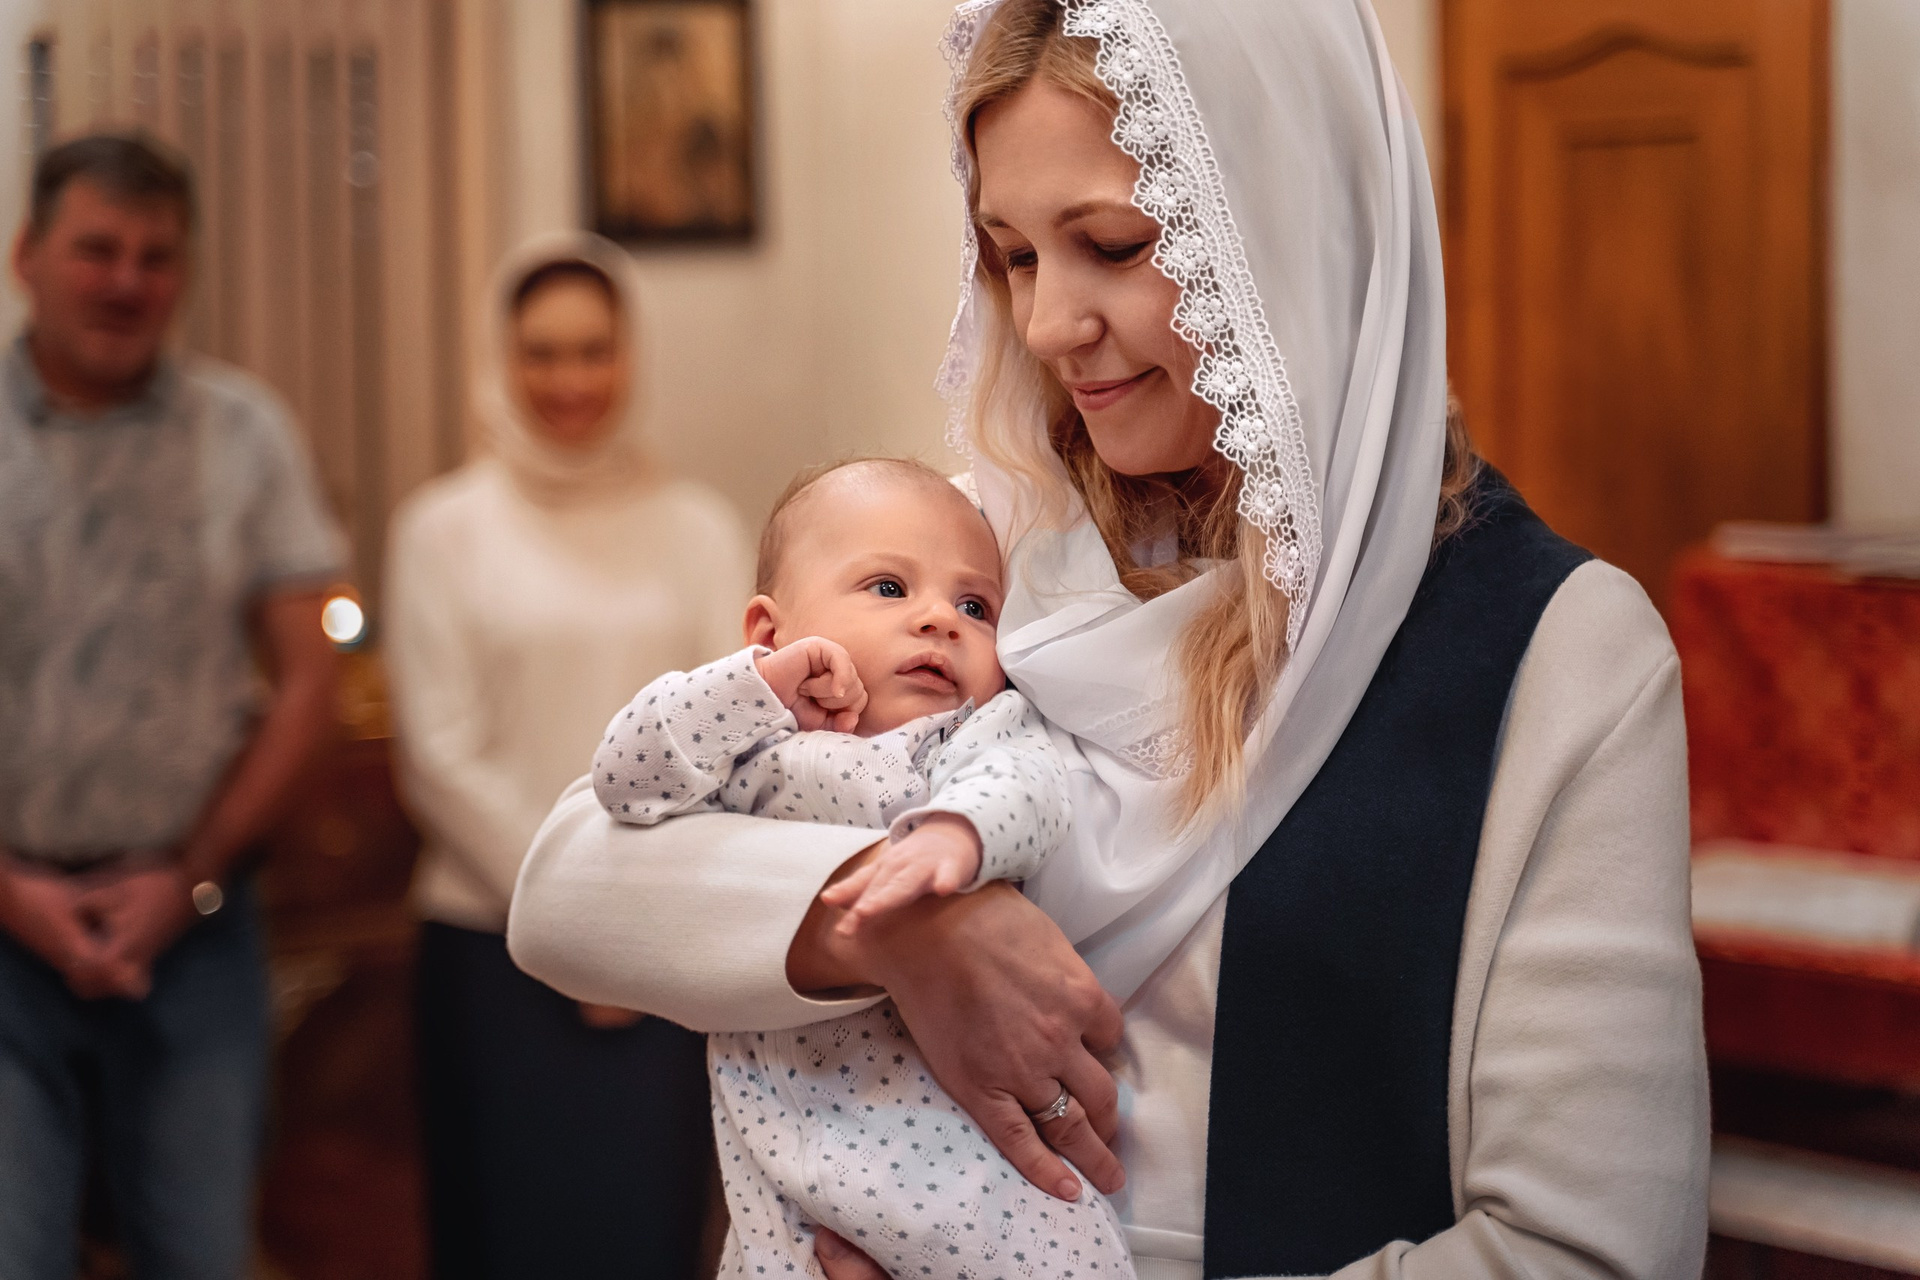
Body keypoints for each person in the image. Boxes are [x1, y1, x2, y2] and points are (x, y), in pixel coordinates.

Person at [508, 2, 1711, 1278]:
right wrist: (897, 934)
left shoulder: (1555, 651)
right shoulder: (978, 570)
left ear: (1298, 230)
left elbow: (1594, 1248)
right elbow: (572, 880)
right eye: (1014, 255)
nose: (1046, 325)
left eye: (1116, 245)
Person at [589, 457, 1126, 1280]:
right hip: (783, 1159)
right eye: (887, 588)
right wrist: (755, 687)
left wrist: (956, 832)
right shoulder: (748, 738)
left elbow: (1028, 786)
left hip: (956, 1150)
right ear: (771, 630)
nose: (940, 620)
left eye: (975, 606)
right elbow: (625, 780)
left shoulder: (966, 736)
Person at [0, 134, 344, 1280]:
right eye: (95, 248)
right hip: (3, 925)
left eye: (155, 255)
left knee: (202, 1254)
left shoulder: (245, 433)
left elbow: (310, 678)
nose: (124, 280)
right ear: (26, 256)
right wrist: (15, 894)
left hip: (195, 928)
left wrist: (188, 877)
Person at [383, 231, 753, 1280]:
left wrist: (625, 926)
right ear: (503, 359)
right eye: (541, 352)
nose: (569, 379)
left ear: (630, 354)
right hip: (490, 944)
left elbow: (732, 729)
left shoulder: (694, 525)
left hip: (660, 954)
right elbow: (439, 755)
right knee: (502, 1232)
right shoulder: (441, 528)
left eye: (594, 349)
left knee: (646, 1229)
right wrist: (572, 919)